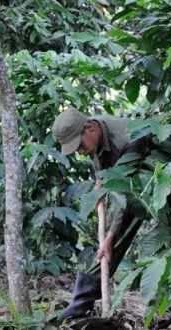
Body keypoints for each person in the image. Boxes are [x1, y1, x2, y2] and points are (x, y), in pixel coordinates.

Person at [53, 109, 150, 321]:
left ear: (89, 128)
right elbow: (101, 167)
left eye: (79, 146)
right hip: (132, 179)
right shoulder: (95, 135)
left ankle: (82, 299)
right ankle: (82, 300)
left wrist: (110, 237)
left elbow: (127, 198)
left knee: (120, 229)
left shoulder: (126, 139)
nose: (80, 152)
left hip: (158, 176)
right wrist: (100, 189)